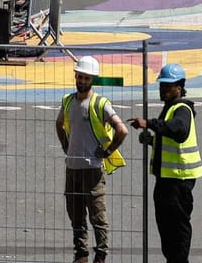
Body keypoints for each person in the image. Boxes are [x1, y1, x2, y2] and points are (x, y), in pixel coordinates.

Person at [129, 64, 202, 263]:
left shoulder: (182, 109)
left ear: (179, 87)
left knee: (177, 230)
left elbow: (179, 130)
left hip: (178, 181)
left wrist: (150, 123)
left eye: (168, 86)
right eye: (162, 85)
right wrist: (152, 140)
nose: (163, 89)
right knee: (167, 231)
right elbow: (169, 139)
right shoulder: (169, 109)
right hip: (166, 181)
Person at [58, 55, 126, 263]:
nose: (81, 81)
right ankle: (81, 254)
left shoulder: (100, 103)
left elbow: (121, 130)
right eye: (79, 77)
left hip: (93, 169)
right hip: (73, 167)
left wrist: (107, 151)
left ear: (92, 80)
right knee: (75, 214)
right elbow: (59, 124)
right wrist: (65, 146)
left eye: (86, 78)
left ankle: (101, 255)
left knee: (97, 215)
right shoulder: (68, 101)